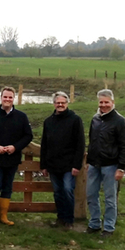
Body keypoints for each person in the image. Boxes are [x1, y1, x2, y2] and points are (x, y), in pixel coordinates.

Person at [0, 86, 33, 226]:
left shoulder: (21, 117)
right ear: (1, 98)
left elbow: (28, 135)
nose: (7, 100)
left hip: (12, 158)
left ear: (13, 99)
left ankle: (4, 216)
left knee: (7, 187)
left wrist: (15, 147)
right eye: (5, 97)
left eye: (10, 97)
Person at [86, 89, 125, 237]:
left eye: (106, 102)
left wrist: (121, 168)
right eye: (101, 102)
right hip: (94, 164)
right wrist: (88, 161)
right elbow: (92, 141)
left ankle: (109, 227)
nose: (103, 105)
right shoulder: (95, 119)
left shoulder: (119, 121)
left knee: (109, 198)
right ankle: (94, 223)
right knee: (91, 195)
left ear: (112, 103)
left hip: (110, 165)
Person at [40, 91, 85, 230]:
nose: (60, 105)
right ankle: (60, 218)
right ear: (54, 104)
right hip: (53, 164)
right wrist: (43, 165)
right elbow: (44, 144)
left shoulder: (75, 120)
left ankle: (69, 220)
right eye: (58, 103)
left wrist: (76, 165)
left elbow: (80, 144)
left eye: (63, 103)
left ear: (67, 104)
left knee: (67, 190)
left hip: (69, 165)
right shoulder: (48, 121)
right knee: (58, 192)